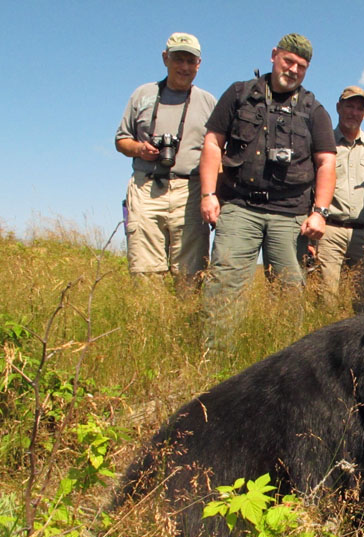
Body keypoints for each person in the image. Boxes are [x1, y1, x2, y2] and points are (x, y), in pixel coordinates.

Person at [198, 33, 336, 346]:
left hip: (290, 215)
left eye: (302, 66)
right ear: (274, 55)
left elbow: (327, 162)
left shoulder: (314, 110)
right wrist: (208, 195)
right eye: (289, 61)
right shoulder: (239, 93)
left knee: (289, 292)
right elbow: (212, 143)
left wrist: (320, 213)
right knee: (225, 283)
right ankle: (215, 360)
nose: (294, 69)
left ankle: (284, 365)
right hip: (240, 207)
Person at [115, 32, 216, 289]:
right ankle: (152, 323)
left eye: (190, 61)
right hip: (146, 187)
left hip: (190, 191)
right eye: (177, 59)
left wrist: (214, 195)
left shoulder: (208, 101)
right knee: (145, 272)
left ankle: (183, 324)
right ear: (165, 58)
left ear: (199, 64)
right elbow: (121, 140)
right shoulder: (143, 95)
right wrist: (140, 149)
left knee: (190, 273)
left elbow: (217, 152)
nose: (184, 67)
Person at [315, 86, 364, 310]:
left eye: (359, 108)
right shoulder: (324, 143)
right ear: (338, 107)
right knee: (325, 300)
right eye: (349, 106)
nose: (353, 113)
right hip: (329, 231)